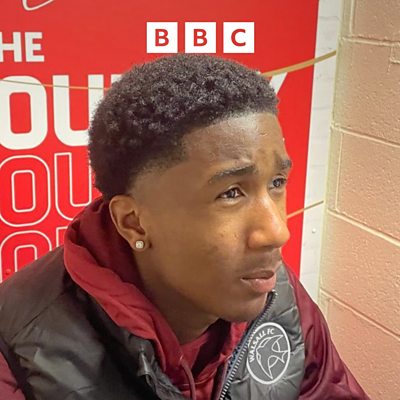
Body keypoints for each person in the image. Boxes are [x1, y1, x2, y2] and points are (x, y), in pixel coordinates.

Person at [0, 54, 369, 400]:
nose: (277, 232)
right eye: (231, 193)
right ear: (134, 223)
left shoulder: (279, 296)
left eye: (276, 183)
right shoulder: (15, 348)